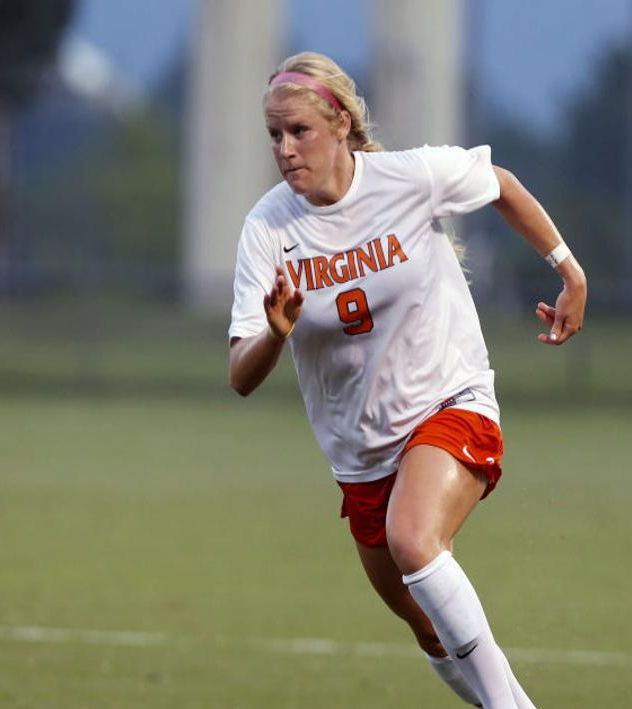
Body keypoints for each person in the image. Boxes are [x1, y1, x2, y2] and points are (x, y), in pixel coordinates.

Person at [228, 53, 586, 708]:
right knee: (426, 625)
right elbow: (239, 375)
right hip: (360, 459)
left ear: (339, 123)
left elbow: (499, 183)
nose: (283, 148)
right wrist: (274, 333)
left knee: (414, 541)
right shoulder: (267, 229)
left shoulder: (406, 178)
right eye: (273, 135)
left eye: (298, 130)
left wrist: (569, 271)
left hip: (450, 402)